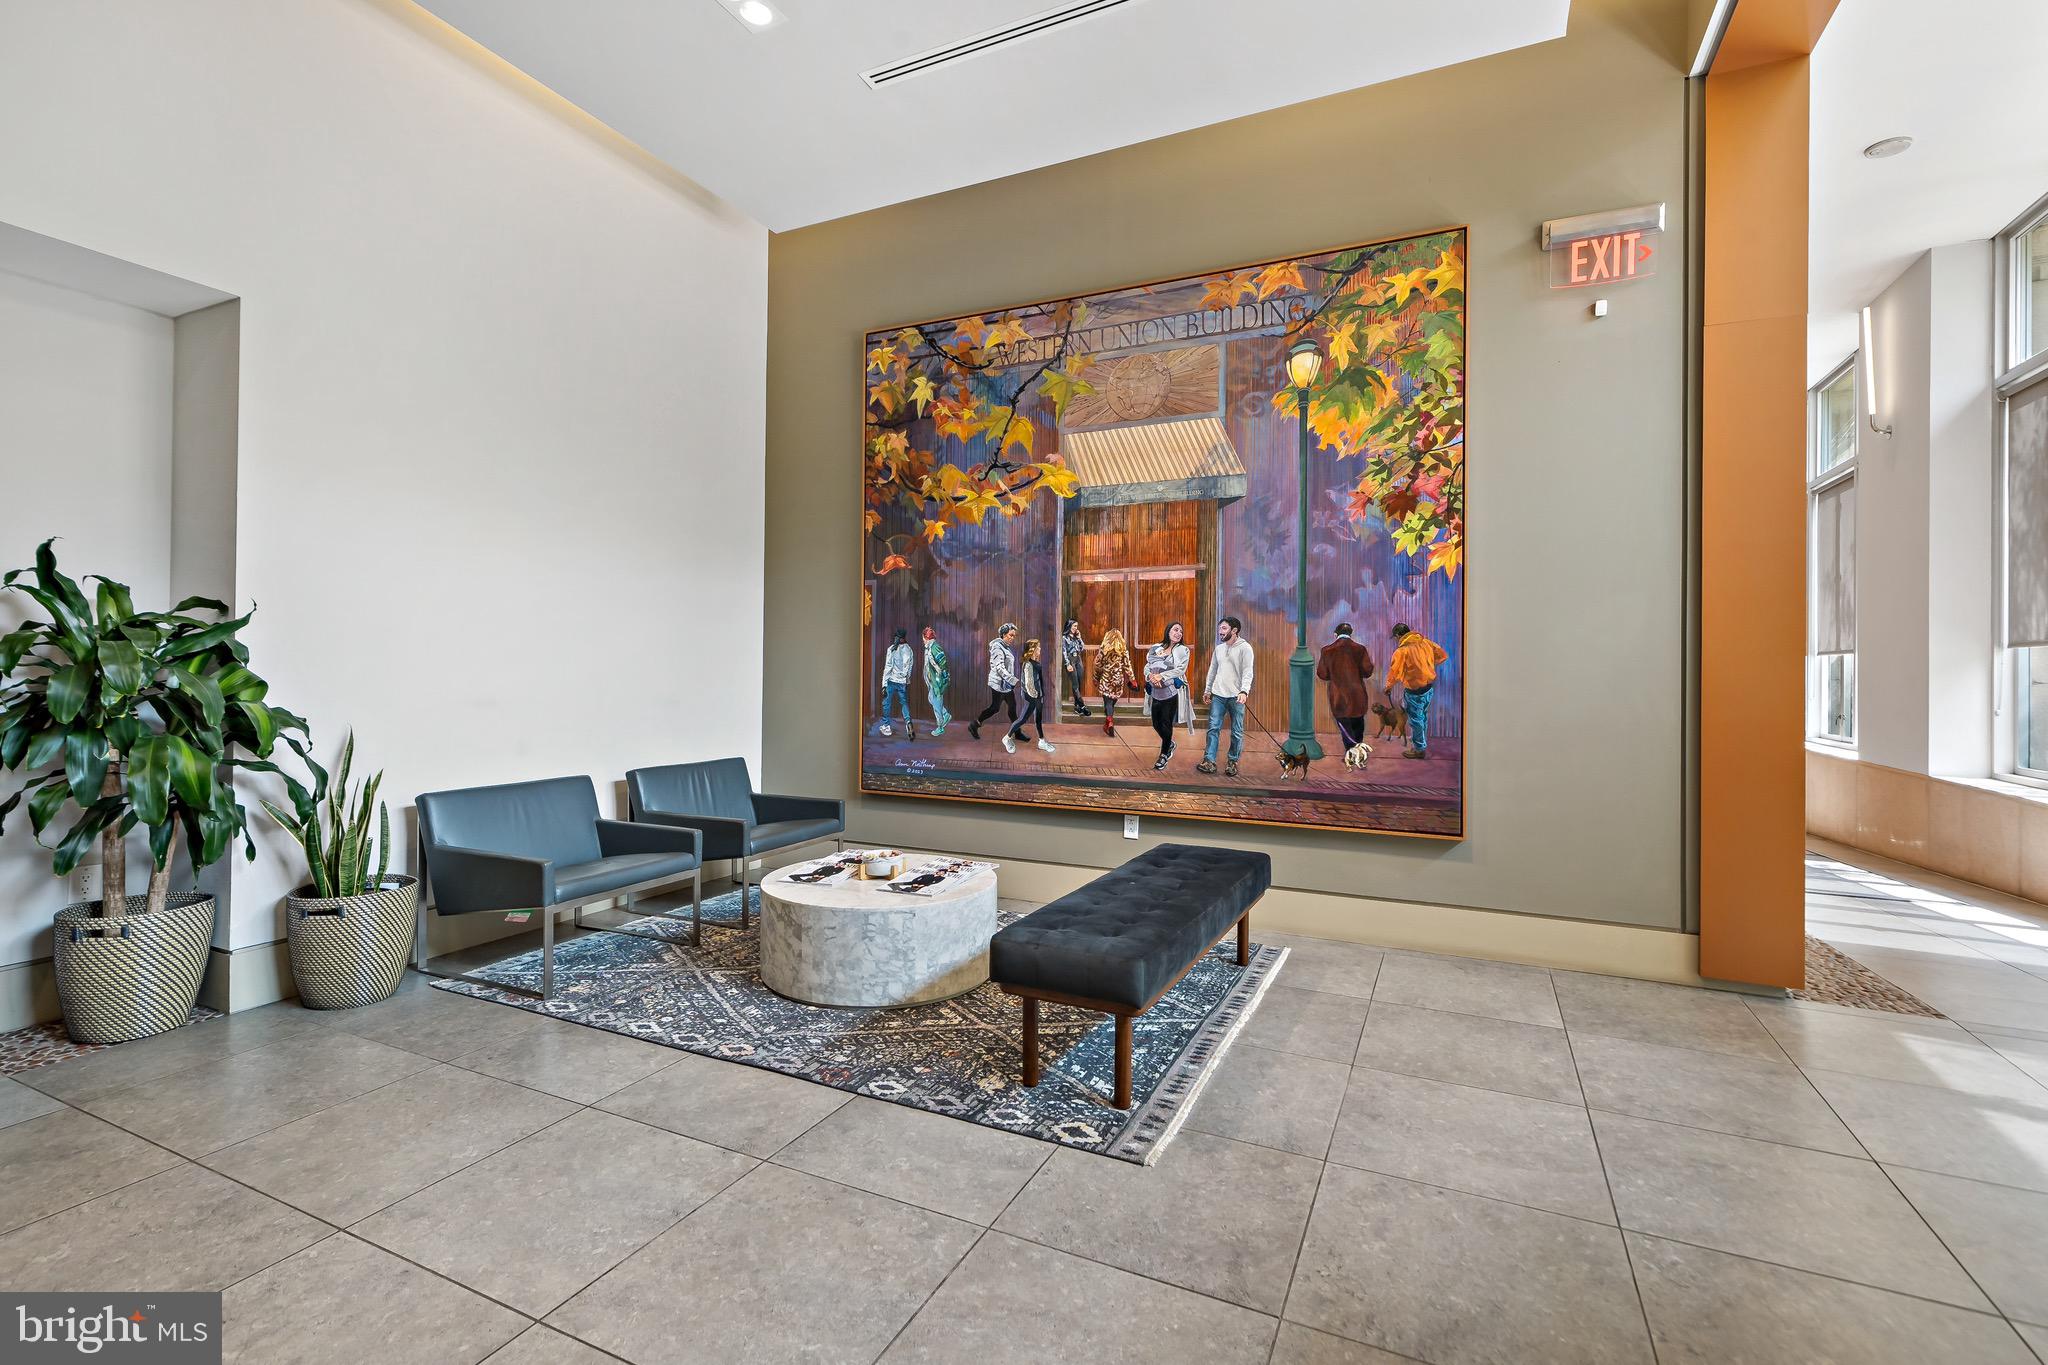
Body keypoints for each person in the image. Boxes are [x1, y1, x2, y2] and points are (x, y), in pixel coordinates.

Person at [1197, 616, 1254, 776]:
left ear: (1234, 630)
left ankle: (1232, 762)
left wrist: (1244, 691)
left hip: (1236, 697)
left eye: (1224, 628)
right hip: (1218, 695)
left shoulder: (1245, 648)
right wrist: (1208, 690)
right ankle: (1209, 761)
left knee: (1236, 731)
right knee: (1213, 728)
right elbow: (1212, 670)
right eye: (1220, 628)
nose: (1220, 632)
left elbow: (1248, 672)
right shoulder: (1219, 649)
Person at [1386, 622, 1449, 759]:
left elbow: (1394, 673)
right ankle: (1421, 743)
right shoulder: (1426, 642)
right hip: (1428, 689)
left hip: (1414, 691)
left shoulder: (1401, 651)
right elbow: (1443, 655)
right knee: (1422, 718)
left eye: (1396, 637)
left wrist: (1388, 687)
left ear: (1398, 635)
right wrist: (1427, 665)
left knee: (1416, 720)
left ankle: (1419, 749)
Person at [1315, 622, 1375, 751]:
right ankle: (1358, 748)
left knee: (1344, 723)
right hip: (1357, 694)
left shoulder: (1327, 650)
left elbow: (1322, 674)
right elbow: (1367, 671)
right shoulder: (1360, 649)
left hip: (1338, 695)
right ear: (1351, 634)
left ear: (1335, 634)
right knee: (1358, 722)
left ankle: (1351, 750)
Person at [1142, 621, 1191, 771]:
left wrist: (1161, 676)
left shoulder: (1183, 650)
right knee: (1156, 724)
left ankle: (1163, 755)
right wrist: (1150, 676)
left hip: (1171, 693)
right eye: (1175, 630)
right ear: (1168, 631)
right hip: (1156, 692)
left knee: (1166, 723)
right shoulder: (1157, 648)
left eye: (1181, 632)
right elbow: (1147, 666)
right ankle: (1169, 743)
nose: (1178, 633)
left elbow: (1180, 670)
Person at [967, 623, 1019, 740]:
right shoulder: (997, 647)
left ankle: (1018, 732)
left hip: (1006, 684)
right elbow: (999, 667)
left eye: (1014, 636)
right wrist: (1012, 680)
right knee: (995, 708)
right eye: (1010, 635)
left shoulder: (1005, 647)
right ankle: (974, 724)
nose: (1012, 638)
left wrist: (1010, 681)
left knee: (1012, 707)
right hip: (999, 684)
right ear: (1003, 635)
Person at [1005, 638, 1055, 754]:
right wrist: (1036, 695)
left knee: (1037, 719)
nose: (1040, 649)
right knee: (1022, 719)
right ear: (1032, 650)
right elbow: (1028, 683)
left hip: (1038, 696)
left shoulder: (1035, 663)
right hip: (1033, 697)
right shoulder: (1028, 664)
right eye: (1038, 647)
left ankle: (1041, 741)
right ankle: (1007, 738)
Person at [1093, 627, 1134, 736]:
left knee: (1108, 702)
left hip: (1106, 679)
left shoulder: (1103, 649)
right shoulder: (1123, 650)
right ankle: (1108, 720)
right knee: (1112, 701)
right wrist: (1132, 678)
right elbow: (1127, 665)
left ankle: (1109, 721)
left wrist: (1096, 678)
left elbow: (1098, 665)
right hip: (1118, 679)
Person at [878, 628, 914, 739]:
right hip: (902, 682)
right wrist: (906, 680)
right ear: (904, 638)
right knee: (903, 703)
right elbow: (909, 668)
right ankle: (908, 722)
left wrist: (884, 684)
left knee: (886, 703)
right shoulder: (909, 650)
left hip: (891, 681)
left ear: (897, 637)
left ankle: (886, 726)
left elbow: (888, 667)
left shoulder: (891, 649)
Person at [920, 626, 950, 737]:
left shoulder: (934, 648)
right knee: (932, 699)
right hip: (932, 681)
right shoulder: (929, 647)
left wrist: (941, 680)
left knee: (936, 702)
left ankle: (940, 727)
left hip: (937, 681)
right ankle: (945, 715)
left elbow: (943, 664)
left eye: (923, 637)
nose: (922, 640)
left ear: (925, 637)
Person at [1059, 619, 1091, 718]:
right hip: (1070, 660)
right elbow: (1064, 652)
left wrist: (1080, 638)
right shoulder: (1064, 638)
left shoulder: (1076, 637)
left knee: (1079, 682)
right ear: (1069, 626)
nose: (1075, 628)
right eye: (1074, 626)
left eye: (1076, 626)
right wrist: (1067, 664)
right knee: (1075, 684)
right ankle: (1082, 705)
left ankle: (1077, 707)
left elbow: (1082, 648)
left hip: (1078, 659)